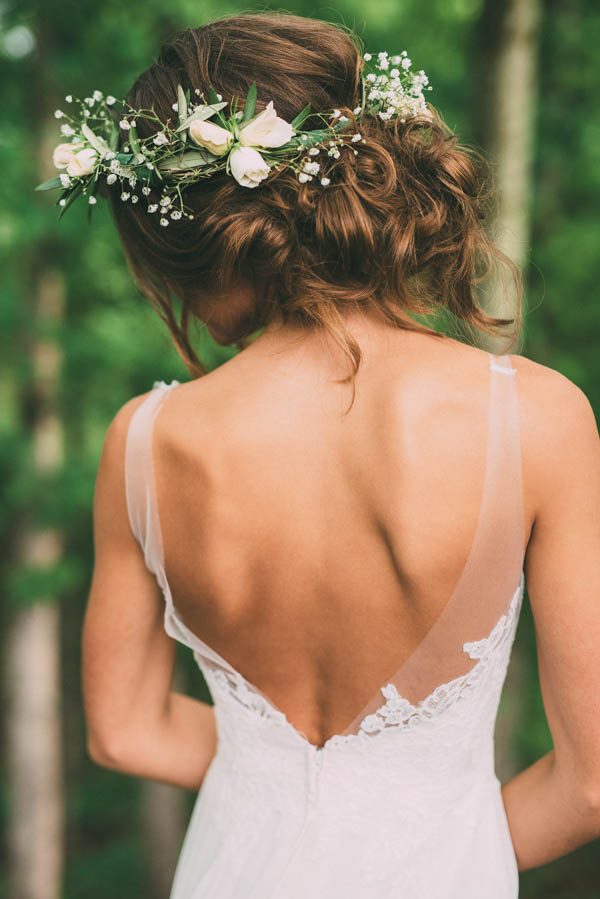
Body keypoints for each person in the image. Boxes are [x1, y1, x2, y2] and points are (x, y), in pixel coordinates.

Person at [52, 11, 599, 898]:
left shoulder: (145, 443)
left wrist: (275, 786)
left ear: (196, 238)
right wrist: (420, 832)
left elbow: (125, 730)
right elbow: (591, 782)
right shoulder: (538, 416)